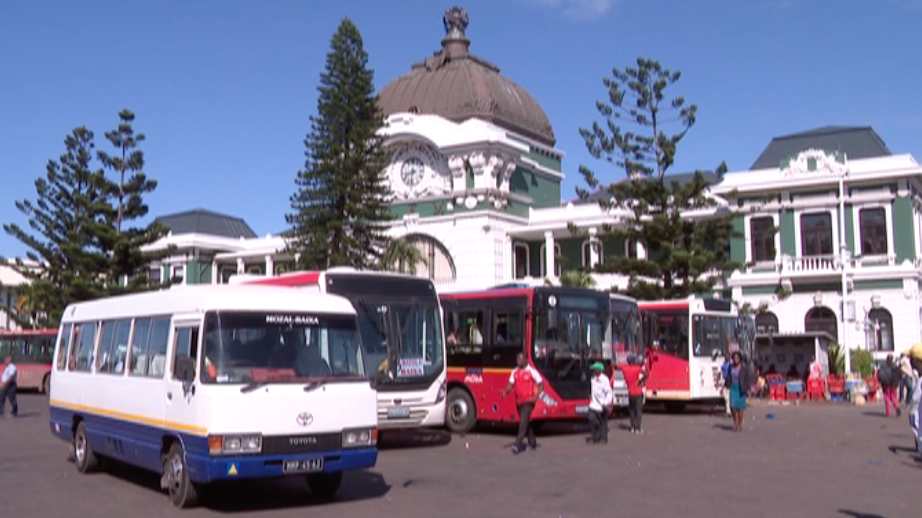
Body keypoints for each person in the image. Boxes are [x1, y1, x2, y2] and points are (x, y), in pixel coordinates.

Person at [502, 352, 544, 454]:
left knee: (522, 423)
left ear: (526, 360)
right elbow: (510, 384)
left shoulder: (532, 372)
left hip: (529, 401)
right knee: (526, 423)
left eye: (520, 359)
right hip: (519, 401)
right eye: (517, 359)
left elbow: (541, 385)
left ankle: (517, 444)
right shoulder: (515, 371)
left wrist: (536, 396)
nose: (518, 361)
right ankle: (532, 442)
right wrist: (505, 391)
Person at [620, 355, 648, 434]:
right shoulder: (637, 369)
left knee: (631, 411)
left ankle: (632, 427)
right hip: (638, 392)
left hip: (630, 393)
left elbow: (616, 366)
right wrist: (640, 380)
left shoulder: (625, 369)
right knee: (638, 411)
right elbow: (646, 373)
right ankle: (638, 428)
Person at [587, 362, 612, 444]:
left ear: (599, 370)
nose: (593, 370)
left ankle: (603, 438)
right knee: (591, 418)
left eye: (594, 369)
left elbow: (609, 392)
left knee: (603, 422)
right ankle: (596, 436)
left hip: (602, 405)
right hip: (593, 404)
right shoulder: (592, 378)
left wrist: (606, 402)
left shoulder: (605, 379)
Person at [728, 351, 750, 432]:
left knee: (740, 408)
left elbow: (747, 379)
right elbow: (728, 377)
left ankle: (740, 424)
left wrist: (748, 389)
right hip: (733, 387)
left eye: (737, 358)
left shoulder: (744, 368)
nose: (736, 359)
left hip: (741, 388)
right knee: (732, 407)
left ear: (740, 359)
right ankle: (735, 421)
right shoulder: (731, 367)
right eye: (734, 358)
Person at [720, 352, 732, 417]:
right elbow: (721, 371)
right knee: (726, 397)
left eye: (728, 356)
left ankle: (729, 411)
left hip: (730, 381)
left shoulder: (731, 363)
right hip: (724, 380)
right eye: (725, 356)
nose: (726, 357)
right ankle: (728, 410)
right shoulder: (723, 363)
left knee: (729, 397)